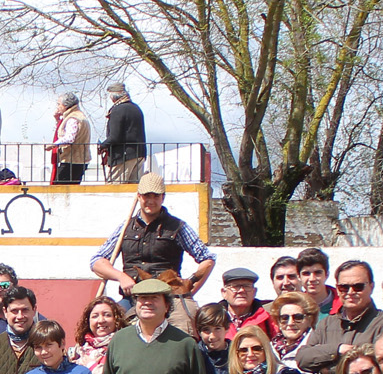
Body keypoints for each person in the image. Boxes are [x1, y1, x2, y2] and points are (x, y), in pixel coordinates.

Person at [88, 174, 216, 326]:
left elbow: (208, 259)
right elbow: (97, 261)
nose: (151, 200)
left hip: (169, 299)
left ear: (163, 197)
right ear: (139, 196)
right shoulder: (125, 228)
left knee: (185, 329)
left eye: (156, 196)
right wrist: (121, 277)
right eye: (146, 196)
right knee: (107, 326)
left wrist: (189, 289)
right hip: (132, 299)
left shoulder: (178, 227)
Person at [99, 81, 145, 183]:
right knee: (134, 188)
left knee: (115, 189)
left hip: (123, 155)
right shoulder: (136, 108)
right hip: (139, 153)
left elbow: (115, 137)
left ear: (113, 96)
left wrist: (102, 146)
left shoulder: (118, 110)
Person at [50, 92, 91, 185]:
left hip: (72, 160)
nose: (57, 107)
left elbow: (69, 137)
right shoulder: (79, 116)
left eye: (59, 104)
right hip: (79, 159)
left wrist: (54, 145)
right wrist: (58, 120)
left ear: (65, 105)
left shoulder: (73, 118)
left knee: (59, 188)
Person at [269, 293, 316, 365]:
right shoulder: (269, 348)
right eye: (284, 318)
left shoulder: (316, 347)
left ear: (310, 320)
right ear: (278, 321)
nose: (290, 323)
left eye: (298, 317)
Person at [221, 268, 269, 336]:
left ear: (254, 292)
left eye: (247, 286)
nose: (242, 290)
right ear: (224, 293)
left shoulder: (267, 320)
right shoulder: (214, 319)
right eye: (236, 286)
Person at [296, 248, 338, 316]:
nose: (312, 279)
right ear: (299, 276)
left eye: (318, 273)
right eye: (306, 273)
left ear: (327, 275)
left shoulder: (344, 306)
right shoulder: (293, 308)